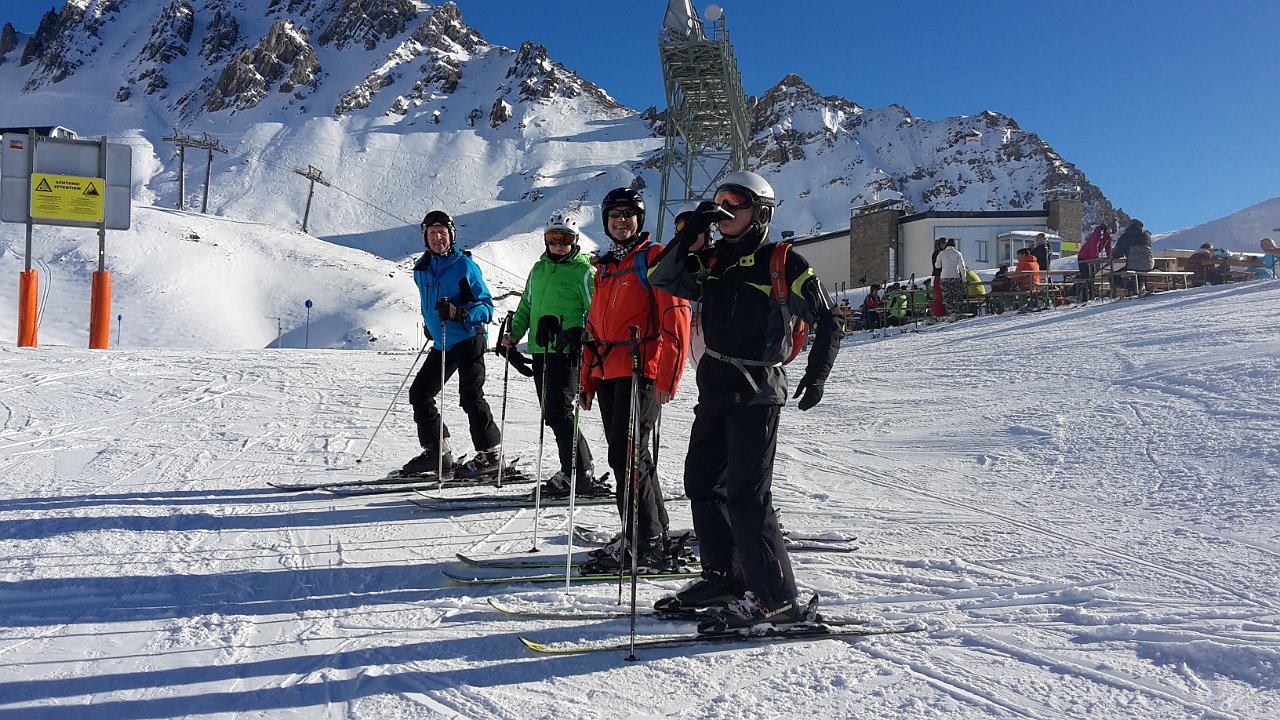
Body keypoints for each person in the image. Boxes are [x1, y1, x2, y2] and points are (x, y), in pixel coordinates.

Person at [648, 170, 843, 631]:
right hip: (713, 388)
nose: (726, 212)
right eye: (720, 204)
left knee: (746, 498)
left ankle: (777, 598)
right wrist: (691, 234)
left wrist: (816, 378)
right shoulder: (710, 259)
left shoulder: (783, 262)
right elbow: (662, 277)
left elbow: (829, 320)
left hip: (757, 393)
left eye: (736, 203)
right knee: (700, 484)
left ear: (761, 213)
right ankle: (724, 577)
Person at [577, 188, 691, 572]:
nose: (622, 221)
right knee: (630, 456)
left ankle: (644, 541)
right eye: (615, 215)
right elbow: (593, 327)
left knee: (627, 457)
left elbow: (676, 316)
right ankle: (653, 532)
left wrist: (666, 377)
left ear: (639, 220)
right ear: (606, 221)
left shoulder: (654, 257)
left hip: (641, 372)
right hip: (609, 371)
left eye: (629, 215)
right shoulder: (606, 267)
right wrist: (587, 379)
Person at [501, 213, 600, 497]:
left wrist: (577, 332)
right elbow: (526, 307)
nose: (558, 246)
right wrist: (515, 334)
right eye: (553, 240)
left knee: (560, 411)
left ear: (575, 242)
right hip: (541, 348)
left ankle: (578, 473)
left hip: (567, 351)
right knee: (552, 413)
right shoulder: (538, 269)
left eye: (564, 240)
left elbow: (596, 312)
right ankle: (577, 468)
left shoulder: (583, 272)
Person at [402, 210, 502, 478]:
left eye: (443, 233)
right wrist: (431, 325)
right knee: (420, 393)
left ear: (451, 236)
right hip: (444, 341)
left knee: (471, 397)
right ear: (425, 236)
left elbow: (487, 308)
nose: (438, 238)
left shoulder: (463, 266)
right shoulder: (421, 269)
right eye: (432, 233)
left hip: (469, 338)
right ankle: (438, 454)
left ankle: (491, 455)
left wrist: (460, 314)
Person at [1111, 218, 1154, 293]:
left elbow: (1117, 254)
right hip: (1149, 265)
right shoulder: (1147, 235)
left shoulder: (1125, 236)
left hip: (1134, 266)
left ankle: (1134, 287)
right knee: (1139, 272)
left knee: (1113, 276)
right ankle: (1140, 286)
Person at [1076, 224, 1113, 301]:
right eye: (1109, 230)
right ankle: (1075, 293)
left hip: (1091, 258)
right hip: (1083, 257)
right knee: (1086, 276)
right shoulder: (1097, 235)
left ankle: (1090, 296)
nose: (1110, 232)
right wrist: (1096, 259)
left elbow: (1108, 247)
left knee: (1092, 276)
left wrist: (1110, 256)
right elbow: (1094, 247)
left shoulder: (1107, 237)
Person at [937, 238, 968, 316]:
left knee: (947, 296)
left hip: (944, 276)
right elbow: (962, 267)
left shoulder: (941, 253)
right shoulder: (958, 253)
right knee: (957, 295)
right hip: (955, 276)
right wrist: (964, 279)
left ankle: (950, 312)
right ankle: (957, 311)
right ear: (955, 245)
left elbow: (937, 266)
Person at [930, 237, 946, 317]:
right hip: (937, 276)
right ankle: (937, 314)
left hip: (940, 275)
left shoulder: (941, 253)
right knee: (939, 296)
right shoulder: (937, 254)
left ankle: (940, 313)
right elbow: (937, 266)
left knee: (941, 296)